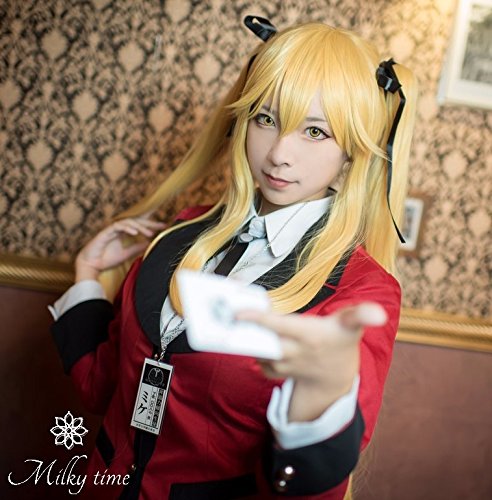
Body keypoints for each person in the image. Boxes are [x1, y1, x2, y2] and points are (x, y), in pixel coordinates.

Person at [50, 16, 417, 500]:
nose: (279, 153)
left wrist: (320, 401)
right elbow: (100, 388)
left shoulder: (361, 291)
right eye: (266, 119)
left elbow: (307, 488)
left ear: (352, 152)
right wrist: (87, 275)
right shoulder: (179, 234)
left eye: (315, 132)